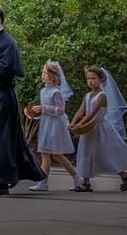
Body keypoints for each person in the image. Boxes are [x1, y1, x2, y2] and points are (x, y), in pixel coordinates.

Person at [0, 4, 45, 196]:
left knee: (0, 138)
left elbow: (7, 70)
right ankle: (8, 171)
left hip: (2, 95)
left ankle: (2, 182)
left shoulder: (8, 43)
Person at [69, 65, 127, 192]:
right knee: (86, 153)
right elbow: (81, 110)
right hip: (88, 129)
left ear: (101, 80)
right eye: (88, 78)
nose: (90, 81)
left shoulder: (102, 95)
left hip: (100, 127)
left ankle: (124, 175)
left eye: (93, 78)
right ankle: (85, 182)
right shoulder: (87, 95)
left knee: (107, 154)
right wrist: (73, 122)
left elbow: (93, 113)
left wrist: (80, 124)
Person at [24, 61, 76, 189]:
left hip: (55, 126)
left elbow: (60, 110)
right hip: (46, 124)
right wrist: (34, 113)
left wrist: (44, 108)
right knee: (44, 153)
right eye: (42, 73)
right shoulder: (43, 91)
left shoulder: (56, 92)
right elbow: (44, 111)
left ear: (54, 76)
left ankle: (76, 177)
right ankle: (43, 182)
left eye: (46, 73)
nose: (43, 75)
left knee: (57, 154)